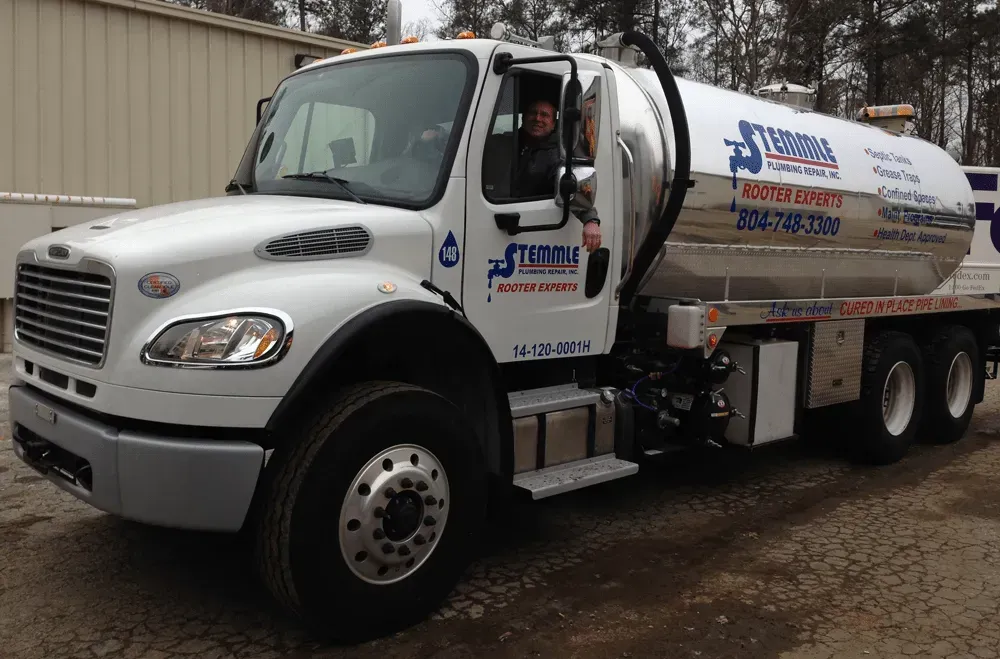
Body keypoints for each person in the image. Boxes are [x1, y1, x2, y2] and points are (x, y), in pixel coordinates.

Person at [509, 99, 602, 253]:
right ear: (523, 118)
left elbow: (571, 186)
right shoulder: (503, 143)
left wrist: (590, 220)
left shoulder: (559, 157)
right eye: (533, 113)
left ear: (553, 124)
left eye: (544, 115)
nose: (537, 118)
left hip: (529, 233)